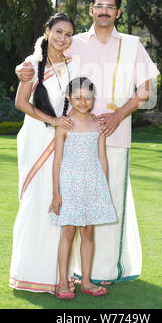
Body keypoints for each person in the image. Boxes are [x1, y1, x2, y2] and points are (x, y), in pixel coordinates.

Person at [16, 0, 160, 285]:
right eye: (99, 5)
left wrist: (118, 115)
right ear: (91, 10)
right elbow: (44, 56)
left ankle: (101, 274)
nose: (105, 10)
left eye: (111, 6)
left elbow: (146, 90)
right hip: (71, 140)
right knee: (67, 205)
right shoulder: (74, 42)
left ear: (118, 12)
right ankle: (70, 273)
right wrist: (22, 67)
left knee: (105, 206)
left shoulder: (133, 44)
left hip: (114, 136)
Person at [9, 13, 77, 294]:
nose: (63, 38)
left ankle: (58, 274)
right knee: (36, 199)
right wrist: (51, 121)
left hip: (63, 140)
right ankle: (29, 273)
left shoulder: (72, 64)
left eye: (68, 34)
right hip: (37, 139)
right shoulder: (31, 64)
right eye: (58, 32)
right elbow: (20, 102)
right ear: (47, 31)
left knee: (56, 199)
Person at [48, 77, 117, 299]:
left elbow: (102, 158)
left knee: (88, 233)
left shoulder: (97, 124)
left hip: (92, 185)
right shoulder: (64, 125)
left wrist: (103, 191)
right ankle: (62, 283)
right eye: (77, 97)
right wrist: (56, 193)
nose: (83, 102)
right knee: (67, 233)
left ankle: (86, 281)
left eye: (87, 97)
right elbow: (57, 161)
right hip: (69, 186)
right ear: (69, 98)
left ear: (93, 98)